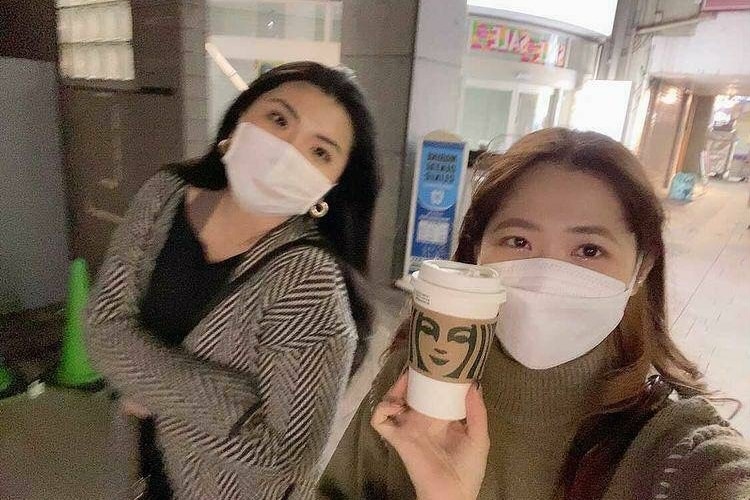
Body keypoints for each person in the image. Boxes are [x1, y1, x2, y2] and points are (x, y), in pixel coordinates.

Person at [320, 128, 750, 500]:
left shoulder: (675, 451)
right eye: (518, 242)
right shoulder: (417, 376)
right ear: (476, 254)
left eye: (588, 250)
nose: (547, 274)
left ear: (642, 269)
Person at [85, 61, 380, 499]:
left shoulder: (308, 283)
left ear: (330, 187)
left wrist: (146, 383)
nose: (287, 152)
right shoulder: (164, 194)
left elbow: (289, 455)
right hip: (137, 471)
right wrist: (232, 408)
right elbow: (102, 329)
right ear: (238, 120)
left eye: (320, 152)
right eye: (278, 120)